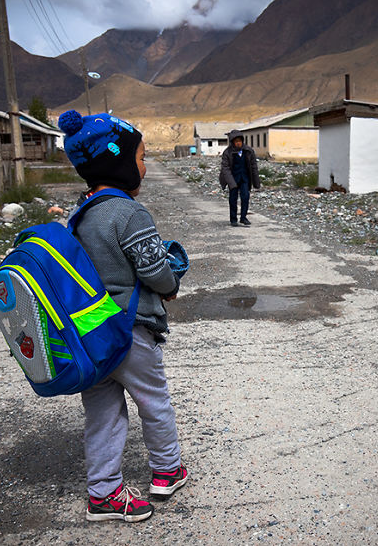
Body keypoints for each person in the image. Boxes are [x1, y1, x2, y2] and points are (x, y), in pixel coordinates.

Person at [57, 109, 188, 523]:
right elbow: (155, 273)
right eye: (142, 156)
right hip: (129, 331)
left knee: (102, 414)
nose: (145, 167)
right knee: (154, 402)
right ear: (118, 159)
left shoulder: (80, 216)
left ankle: (104, 493)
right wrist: (171, 284)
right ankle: (167, 471)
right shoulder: (129, 213)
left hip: (92, 332)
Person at [219, 130, 261, 226]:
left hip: (245, 178)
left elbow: (254, 166)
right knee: (233, 199)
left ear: (242, 140)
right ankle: (233, 219)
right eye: (236, 141)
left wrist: (256, 182)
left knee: (245, 197)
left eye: (240, 141)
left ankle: (243, 217)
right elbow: (225, 168)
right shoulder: (227, 152)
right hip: (232, 178)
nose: (238, 143)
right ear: (232, 142)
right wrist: (231, 183)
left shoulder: (248, 151)